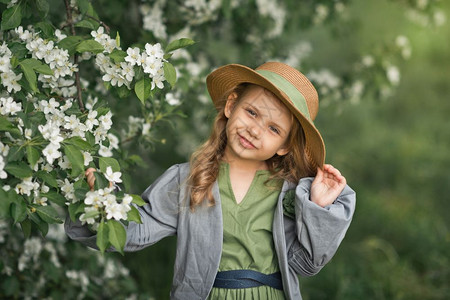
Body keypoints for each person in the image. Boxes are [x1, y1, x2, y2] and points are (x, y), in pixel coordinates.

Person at [65, 62, 356, 300]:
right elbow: (135, 232)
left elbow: (305, 265)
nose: (255, 130)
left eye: (273, 128)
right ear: (231, 106)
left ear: (284, 146)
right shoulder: (189, 179)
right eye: (251, 112)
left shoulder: (288, 192)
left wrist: (317, 208)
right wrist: (103, 204)